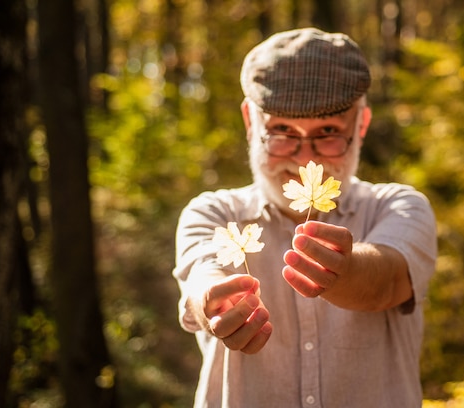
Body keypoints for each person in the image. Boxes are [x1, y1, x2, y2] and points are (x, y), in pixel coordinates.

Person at [173, 27, 437, 408]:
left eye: (328, 132)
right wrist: (212, 302)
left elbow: (388, 281)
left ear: (360, 126)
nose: (304, 159)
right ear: (251, 122)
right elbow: (203, 275)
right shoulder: (213, 213)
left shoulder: (399, 207)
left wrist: (344, 272)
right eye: (281, 131)